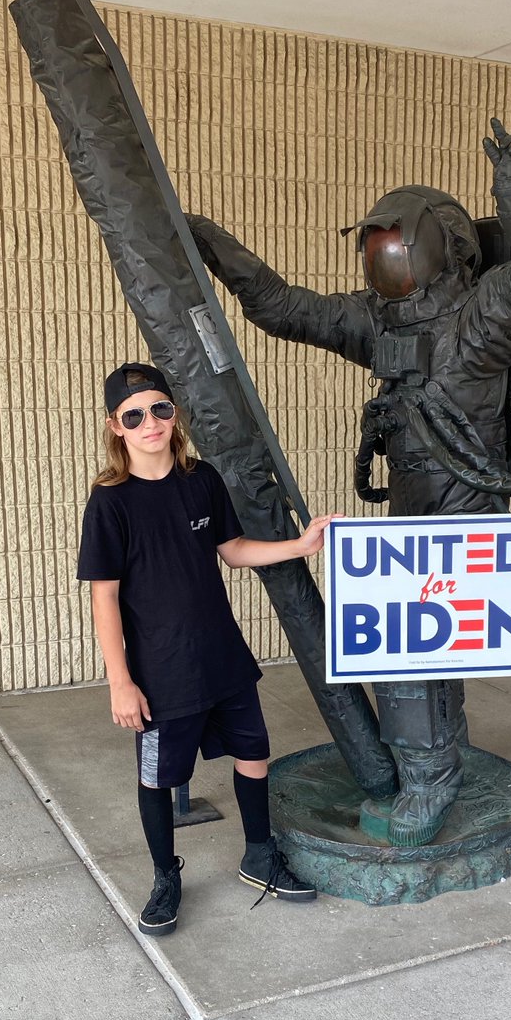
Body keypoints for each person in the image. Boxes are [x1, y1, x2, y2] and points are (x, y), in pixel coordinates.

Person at [185, 119, 511, 847]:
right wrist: (211, 244)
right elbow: (280, 306)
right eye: (373, 248)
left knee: (410, 651)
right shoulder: (374, 320)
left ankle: (428, 776)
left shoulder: (485, 315)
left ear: (440, 246)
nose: (382, 260)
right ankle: (443, 751)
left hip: (465, 505)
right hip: (410, 505)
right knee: (423, 646)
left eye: (394, 245)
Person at [77, 362, 337, 936]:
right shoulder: (110, 502)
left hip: (222, 657)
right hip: (161, 672)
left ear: (175, 414)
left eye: (161, 409)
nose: (151, 423)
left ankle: (259, 855)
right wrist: (120, 681)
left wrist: (301, 544)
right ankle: (166, 875)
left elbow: (235, 549)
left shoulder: (203, 480)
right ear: (115, 426)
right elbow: (105, 598)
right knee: (158, 778)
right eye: (134, 415)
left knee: (254, 754)